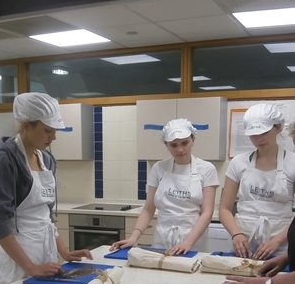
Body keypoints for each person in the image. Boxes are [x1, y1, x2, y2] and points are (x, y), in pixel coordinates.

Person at [0, 92, 92, 284]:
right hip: (18, 264)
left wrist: (64, 253)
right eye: (47, 130)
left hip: (45, 258)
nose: (54, 137)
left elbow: (46, 216)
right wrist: (31, 267)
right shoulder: (5, 160)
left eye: (55, 130)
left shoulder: (47, 160)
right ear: (26, 125)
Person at [110, 118, 219, 255]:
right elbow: (148, 209)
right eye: (173, 145)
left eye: (185, 143)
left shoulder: (207, 169)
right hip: (162, 237)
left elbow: (207, 213)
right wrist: (134, 237)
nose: (180, 149)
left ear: (193, 140)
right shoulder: (159, 168)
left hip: (193, 240)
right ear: (166, 145)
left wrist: (188, 242)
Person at [219, 104, 295, 260]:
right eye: (253, 135)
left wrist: (276, 241)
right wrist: (236, 234)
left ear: (278, 127)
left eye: (264, 132)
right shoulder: (239, 163)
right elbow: (225, 209)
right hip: (242, 245)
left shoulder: (292, 163)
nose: (259, 139)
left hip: (281, 247)